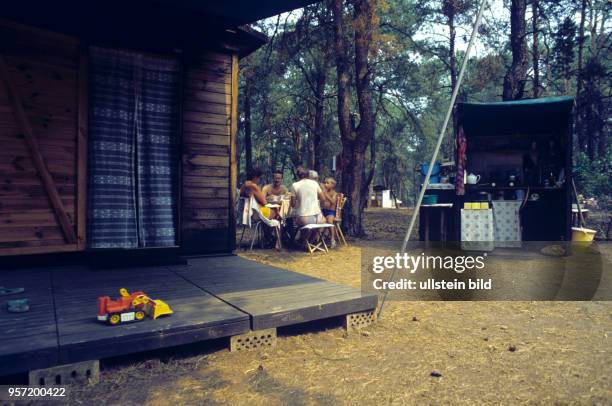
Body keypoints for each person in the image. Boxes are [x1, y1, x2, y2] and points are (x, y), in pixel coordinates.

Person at [290, 166, 326, 247]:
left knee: (298, 222)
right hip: (317, 218)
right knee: (322, 222)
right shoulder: (314, 183)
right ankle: (310, 242)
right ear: (308, 175)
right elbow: (323, 199)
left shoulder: (295, 185)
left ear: (298, 176)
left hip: (303, 219)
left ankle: (305, 243)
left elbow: (292, 204)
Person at [321, 177, 338, 248]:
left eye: (327, 183)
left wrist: (325, 194)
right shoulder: (323, 192)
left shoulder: (334, 193)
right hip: (323, 211)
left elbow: (333, 201)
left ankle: (332, 240)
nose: (325, 184)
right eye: (325, 183)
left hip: (331, 212)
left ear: (333, 185)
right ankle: (318, 239)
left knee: (330, 220)